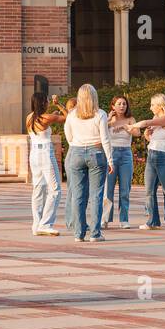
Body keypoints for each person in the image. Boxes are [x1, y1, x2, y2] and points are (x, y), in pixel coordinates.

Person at [63, 83, 113, 242]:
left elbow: (68, 136)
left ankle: (78, 233)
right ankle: (95, 233)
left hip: (76, 152)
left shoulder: (71, 114)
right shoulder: (100, 114)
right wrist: (110, 159)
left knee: (77, 195)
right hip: (96, 152)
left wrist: (77, 144)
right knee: (96, 195)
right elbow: (105, 139)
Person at [132, 93, 165, 230]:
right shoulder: (156, 118)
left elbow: (145, 123)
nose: (151, 107)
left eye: (153, 105)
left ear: (160, 105)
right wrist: (148, 135)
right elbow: (153, 139)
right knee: (149, 190)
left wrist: (131, 127)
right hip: (152, 155)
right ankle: (153, 221)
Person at [27, 92, 67, 236]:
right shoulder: (46, 117)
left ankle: (37, 224)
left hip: (34, 155)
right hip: (45, 153)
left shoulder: (30, 117)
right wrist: (59, 104)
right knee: (55, 189)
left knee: (38, 189)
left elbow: (48, 118)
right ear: (43, 103)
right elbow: (68, 118)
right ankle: (46, 223)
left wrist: (53, 114)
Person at [104, 96, 135, 229]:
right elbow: (100, 132)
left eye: (124, 104)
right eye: (119, 104)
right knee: (108, 189)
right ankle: (105, 218)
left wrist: (124, 127)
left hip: (126, 154)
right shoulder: (107, 119)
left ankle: (124, 219)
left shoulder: (130, 119)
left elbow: (137, 132)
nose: (122, 106)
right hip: (111, 154)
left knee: (125, 189)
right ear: (113, 106)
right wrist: (108, 120)